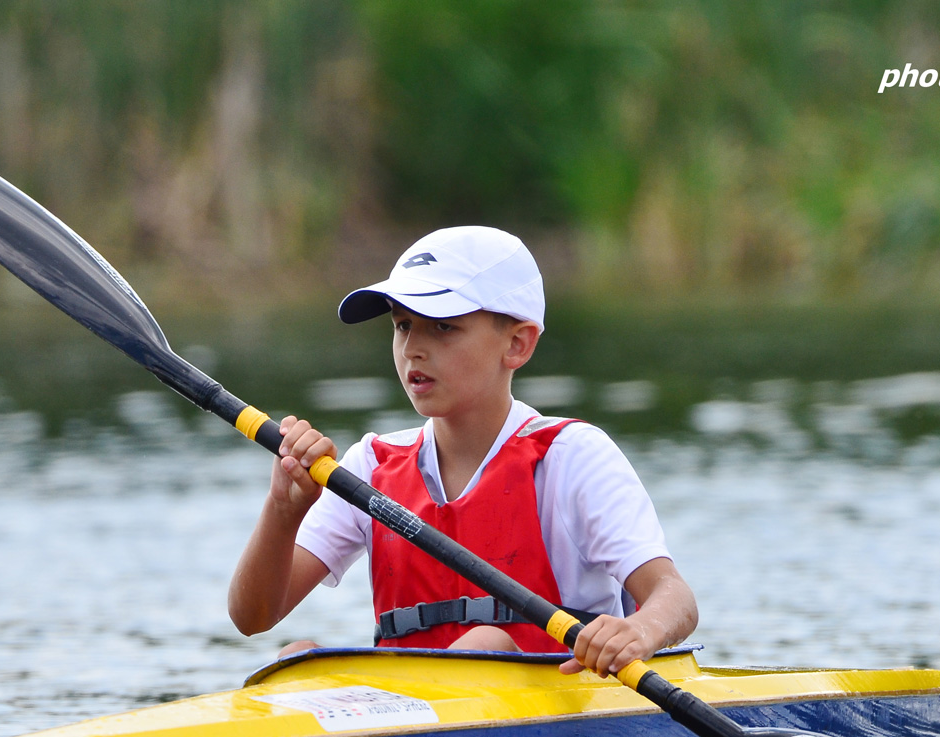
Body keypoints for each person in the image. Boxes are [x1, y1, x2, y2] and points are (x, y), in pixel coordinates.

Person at [228, 226, 697, 677]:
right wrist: (283, 511)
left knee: (483, 643)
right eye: (402, 325)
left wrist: (637, 632)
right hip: (410, 714)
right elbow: (253, 617)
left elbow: (674, 598)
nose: (412, 348)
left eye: (443, 327)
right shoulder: (369, 466)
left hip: (553, 714)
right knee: (296, 658)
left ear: (517, 344)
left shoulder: (570, 457)